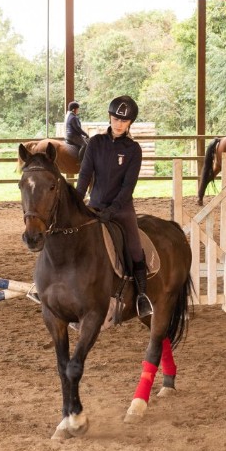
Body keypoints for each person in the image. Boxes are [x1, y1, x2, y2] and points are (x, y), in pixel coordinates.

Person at [75, 95, 152, 318]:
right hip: (95, 205)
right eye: (115, 118)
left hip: (121, 208)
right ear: (109, 117)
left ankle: (141, 296)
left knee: (135, 249)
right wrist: (77, 202)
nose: (118, 123)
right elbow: (84, 176)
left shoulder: (133, 150)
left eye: (123, 120)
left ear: (129, 123)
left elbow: (128, 186)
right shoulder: (95, 143)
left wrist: (114, 209)